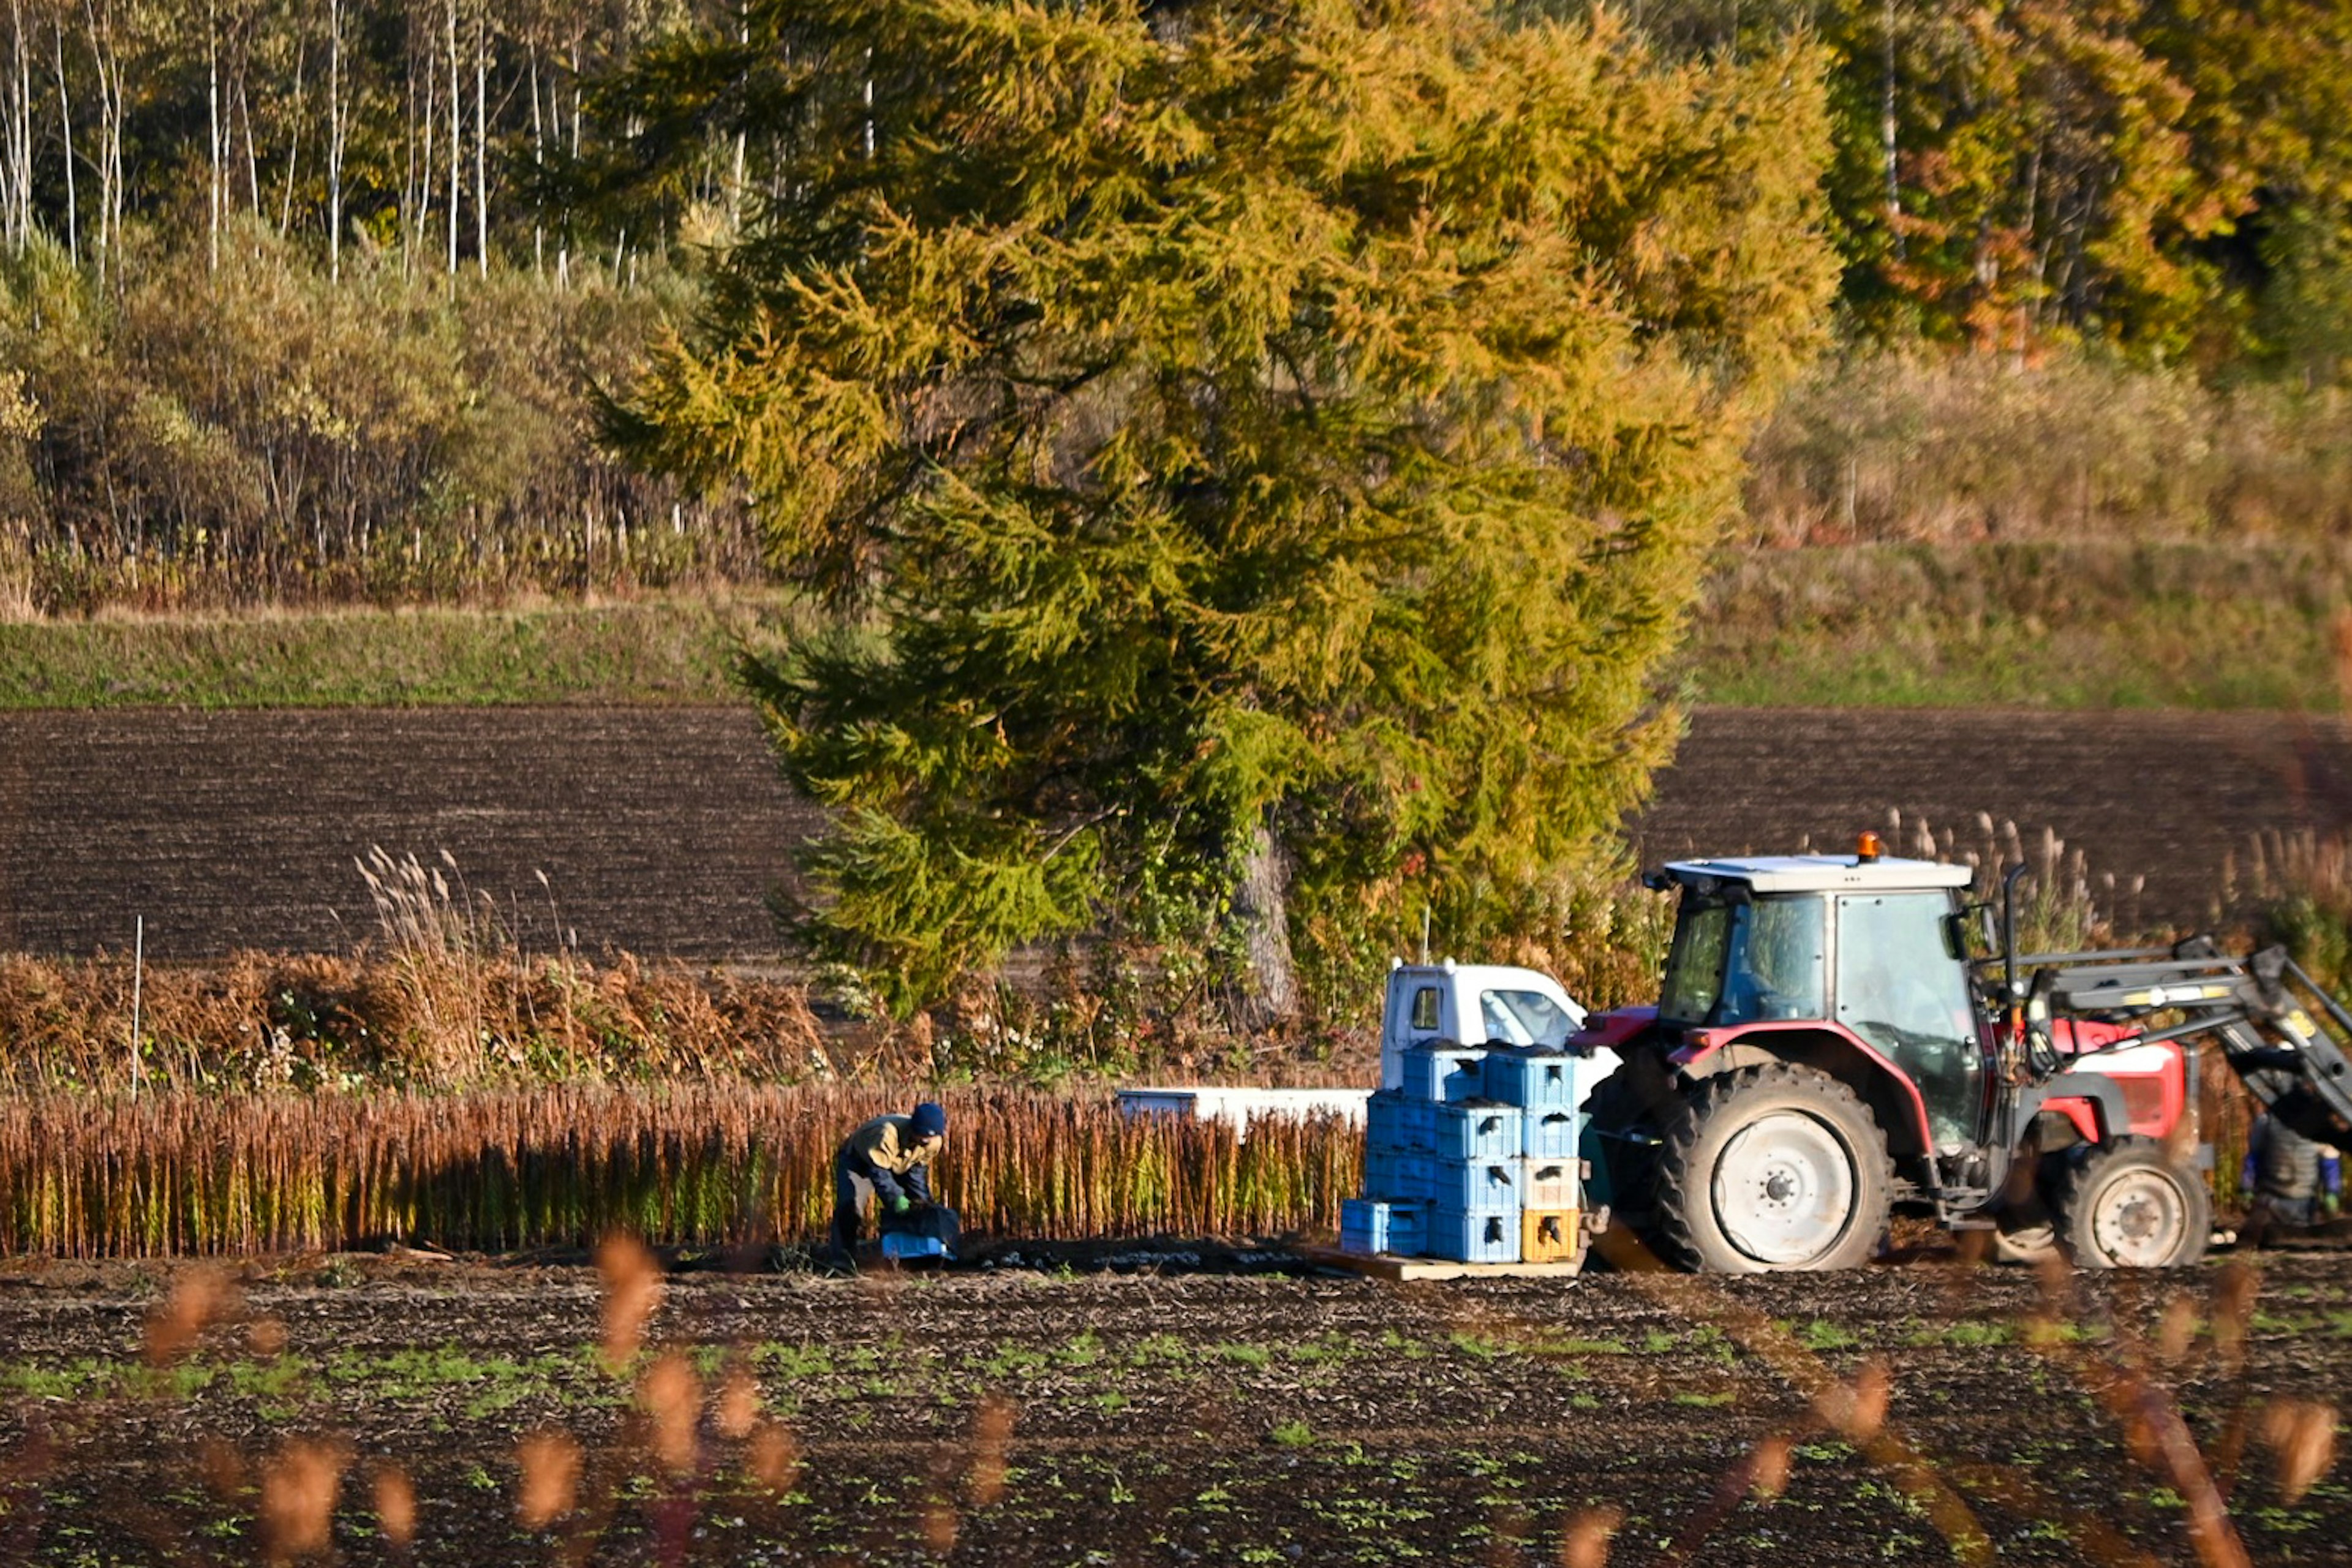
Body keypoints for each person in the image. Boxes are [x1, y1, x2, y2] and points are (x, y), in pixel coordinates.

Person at [829, 1101, 947, 1264]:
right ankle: (843, 1259)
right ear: (913, 1129)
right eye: (923, 1136)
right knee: (851, 1207)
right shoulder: (886, 1134)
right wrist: (896, 1197)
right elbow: (879, 1173)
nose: (926, 1141)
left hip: (898, 1164)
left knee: (921, 1204)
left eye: (930, 1138)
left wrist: (921, 1201)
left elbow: (917, 1173)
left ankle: (919, 1255)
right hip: (859, 1162)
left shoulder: (934, 1142)